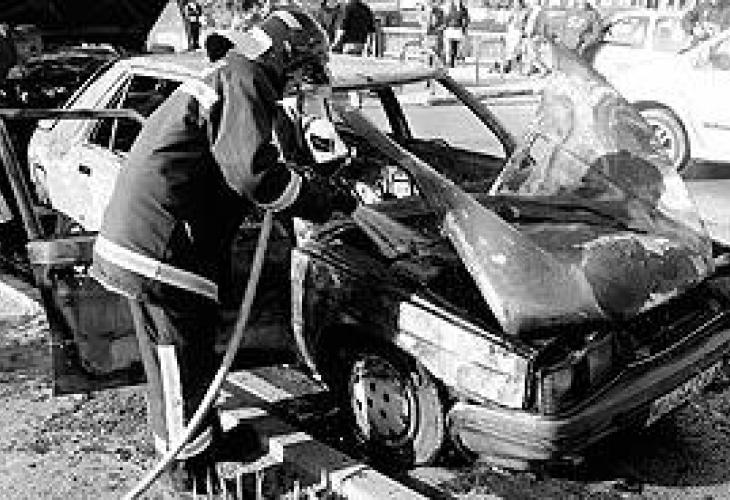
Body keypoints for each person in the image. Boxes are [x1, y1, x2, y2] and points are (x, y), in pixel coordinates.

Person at [90, 7, 355, 496]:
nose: (303, 80)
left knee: (189, 362)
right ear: (289, 57)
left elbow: (250, 156)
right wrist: (319, 198)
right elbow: (253, 174)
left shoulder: (236, 73)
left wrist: (308, 165)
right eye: (304, 68)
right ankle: (185, 470)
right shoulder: (247, 78)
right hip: (159, 248)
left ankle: (202, 442)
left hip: (155, 239)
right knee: (176, 364)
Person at [442, 0, 469, 67]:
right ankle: (450, 62)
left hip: (457, 29)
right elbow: (446, 19)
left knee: (457, 47)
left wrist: (464, 29)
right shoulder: (449, 8)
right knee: (450, 47)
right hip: (451, 29)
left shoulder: (463, 10)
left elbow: (466, 21)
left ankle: (456, 61)